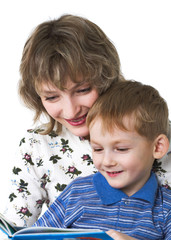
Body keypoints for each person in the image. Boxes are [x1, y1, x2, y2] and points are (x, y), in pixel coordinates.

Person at [2, 14, 171, 229]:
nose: (71, 111)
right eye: (52, 97)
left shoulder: (153, 133)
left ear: (105, 78)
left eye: (82, 90)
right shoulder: (37, 146)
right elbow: (18, 230)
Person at [33, 80, 171, 240]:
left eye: (121, 149)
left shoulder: (166, 208)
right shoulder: (77, 193)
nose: (107, 161)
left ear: (158, 147)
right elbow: (34, 236)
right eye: (98, 149)